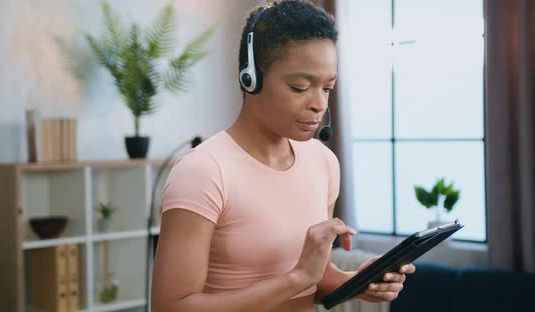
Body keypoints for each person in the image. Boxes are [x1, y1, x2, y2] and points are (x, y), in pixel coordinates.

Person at [151, 1, 415, 311]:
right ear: (250, 78)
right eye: (300, 87)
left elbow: (316, 279)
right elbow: (171, 307)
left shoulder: (323, 163)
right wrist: (297, 278)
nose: (318, 104)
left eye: (327, 87)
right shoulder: (202, 172)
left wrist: (359, 282)